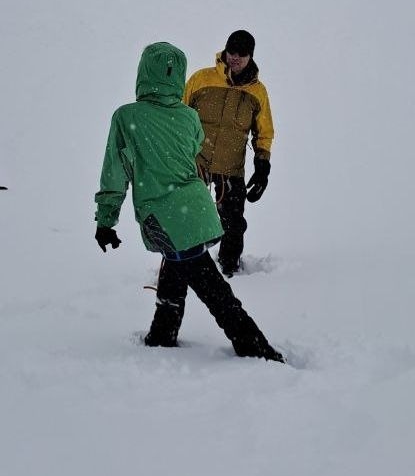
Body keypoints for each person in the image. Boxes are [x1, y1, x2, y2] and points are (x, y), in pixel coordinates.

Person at [94, 41, 283, 362]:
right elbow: (193, 148)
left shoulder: (127, 118)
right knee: (176, 267)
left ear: (143, 72)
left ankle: (254, 347)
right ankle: (162, 334)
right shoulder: (188, 117)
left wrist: (105, 220)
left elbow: (114, 173)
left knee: (212, 288)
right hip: (196, 209)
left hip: (165, 215)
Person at [183, 30, 274, 277]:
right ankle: (183, 265)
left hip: (231, 167)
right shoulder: (201, 79)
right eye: (231, 51)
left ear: (250, 56)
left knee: (233, 223)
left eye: (241, 54)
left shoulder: (258, 92)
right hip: (196, 163)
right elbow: (179, 117)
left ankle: (229, 267)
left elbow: (264, 132)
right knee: (187, 216)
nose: (235, 57)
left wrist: (262, 166)